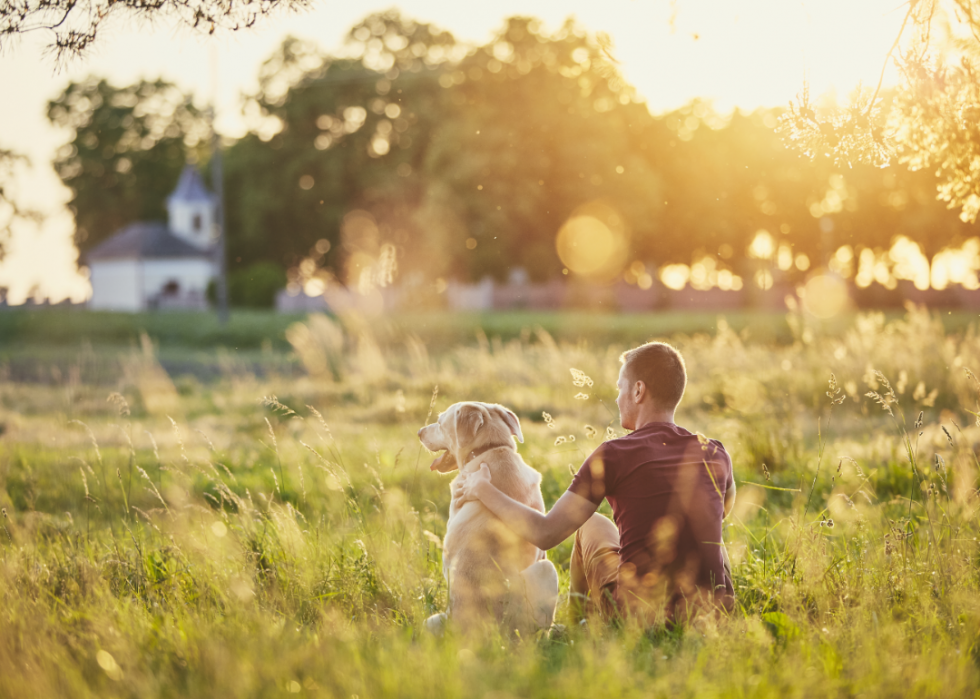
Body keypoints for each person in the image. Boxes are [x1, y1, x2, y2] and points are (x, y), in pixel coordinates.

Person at [453, 341, 735, 626]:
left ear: (638, 391)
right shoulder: (716, 452)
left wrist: (482, 489)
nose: (616, 398)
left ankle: (578, 629)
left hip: (640, 615)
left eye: (620, 387)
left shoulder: (614, 455)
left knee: (588, 525)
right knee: (712, 536)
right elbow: (721, 513)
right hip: (713, 614)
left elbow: (545, 533)